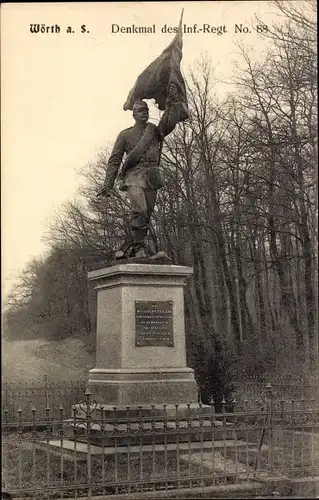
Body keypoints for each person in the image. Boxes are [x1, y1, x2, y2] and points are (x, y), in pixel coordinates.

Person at [98, 82, 186, 259]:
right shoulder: (125, 135)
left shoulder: (154, 131)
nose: (144, 113)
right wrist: (108, 184)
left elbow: (169, 121)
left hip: (152, 177)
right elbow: (115, 160)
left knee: (145, 217)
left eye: (146, 110)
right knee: (141, 211)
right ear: (134, 114)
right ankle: (138, 248)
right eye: (140, 111)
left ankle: (129, 247)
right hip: (134, 176)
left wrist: (174, 100)